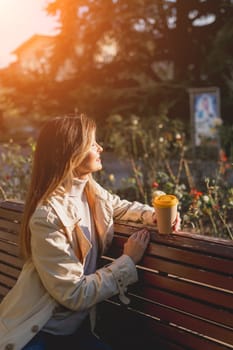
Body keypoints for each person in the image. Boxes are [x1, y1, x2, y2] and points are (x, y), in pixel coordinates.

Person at [0, 114, 180, 350]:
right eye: (93, 143)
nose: (101, 148)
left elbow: (118, 206)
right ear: (70, 153)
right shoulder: (48, 217)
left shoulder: (89, 189)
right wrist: (128, 260)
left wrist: (152, 215)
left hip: (77, 330)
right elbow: (74, 293)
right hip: (41, 333)